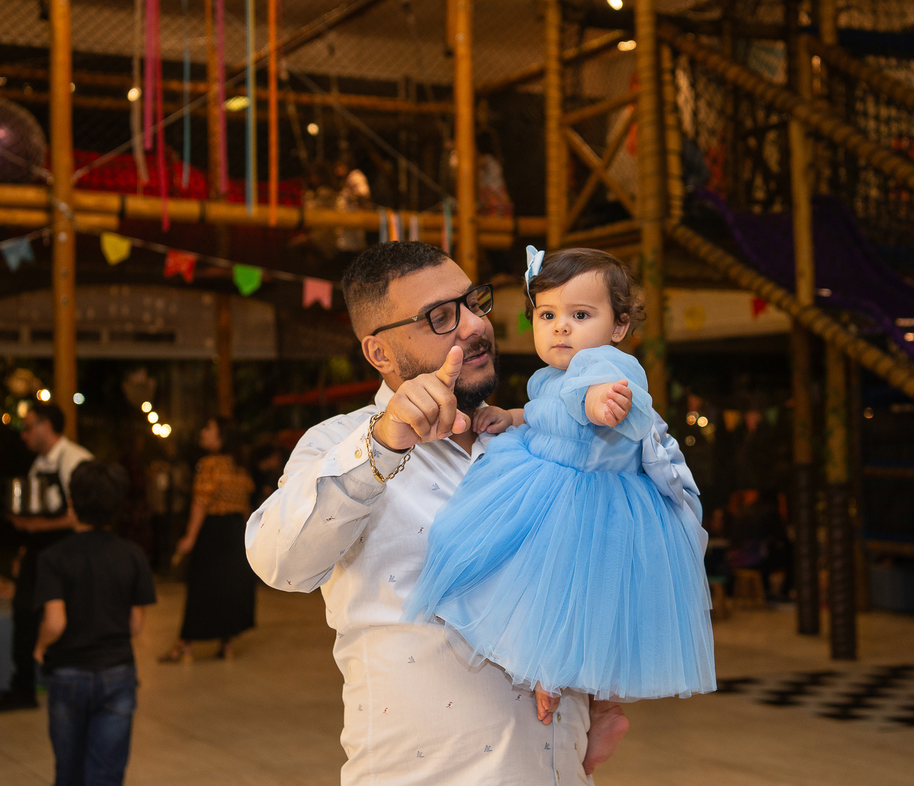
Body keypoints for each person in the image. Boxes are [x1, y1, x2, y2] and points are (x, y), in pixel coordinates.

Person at [247, 241, 697, 784]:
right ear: (380, 353)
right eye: (440, 317)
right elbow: (278, 562)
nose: (474, 325)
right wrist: (383, 445)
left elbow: (625, 557)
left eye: (474, 302)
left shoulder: (538, 440)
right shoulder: (343, 444)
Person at [401, 247, 714, 730]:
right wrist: (511, 416)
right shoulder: (552, 375)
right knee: (544, 596)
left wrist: (601, 403)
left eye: (580, 315)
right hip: (550, 481)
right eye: (547, 315)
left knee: (557, 597)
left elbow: (600, 398)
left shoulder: (607, 367)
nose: (561, 328)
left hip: (584, 502)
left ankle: (579, 696)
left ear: (619, 327)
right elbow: (549, 410)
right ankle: (573, 695)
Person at [32, 461, 157, 786]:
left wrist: (40, 646)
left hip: (67, 673)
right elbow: (135, 625)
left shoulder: (53, 557)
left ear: (71, 502)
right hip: (117, 673)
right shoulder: (133, 555)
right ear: (118, 506)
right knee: (106, 775)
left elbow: (55, 622)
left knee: (68, 772)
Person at [0, 402, 93, 713]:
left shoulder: (76, 459)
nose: (24, 435)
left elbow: (83, 516)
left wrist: (36, 526)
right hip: (40, 548)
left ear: (46, 426)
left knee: (67, 617)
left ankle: (68, 679)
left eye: (28, 427)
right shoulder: (39, 463)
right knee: (23, 612)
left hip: (69, 549)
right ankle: (23, 686)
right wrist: (25, 546)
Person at [160, 418, 256, 663]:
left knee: (202, 588)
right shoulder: (240, 466)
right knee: (228, 588)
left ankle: (185, 645)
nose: (203, 433)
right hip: (236, 531)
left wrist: (190, 536)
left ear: (221, 436)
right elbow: (245, 506)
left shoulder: (209, 464)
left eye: (208, 429)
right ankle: (226, 643)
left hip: (214, 531)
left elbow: (201, 502)